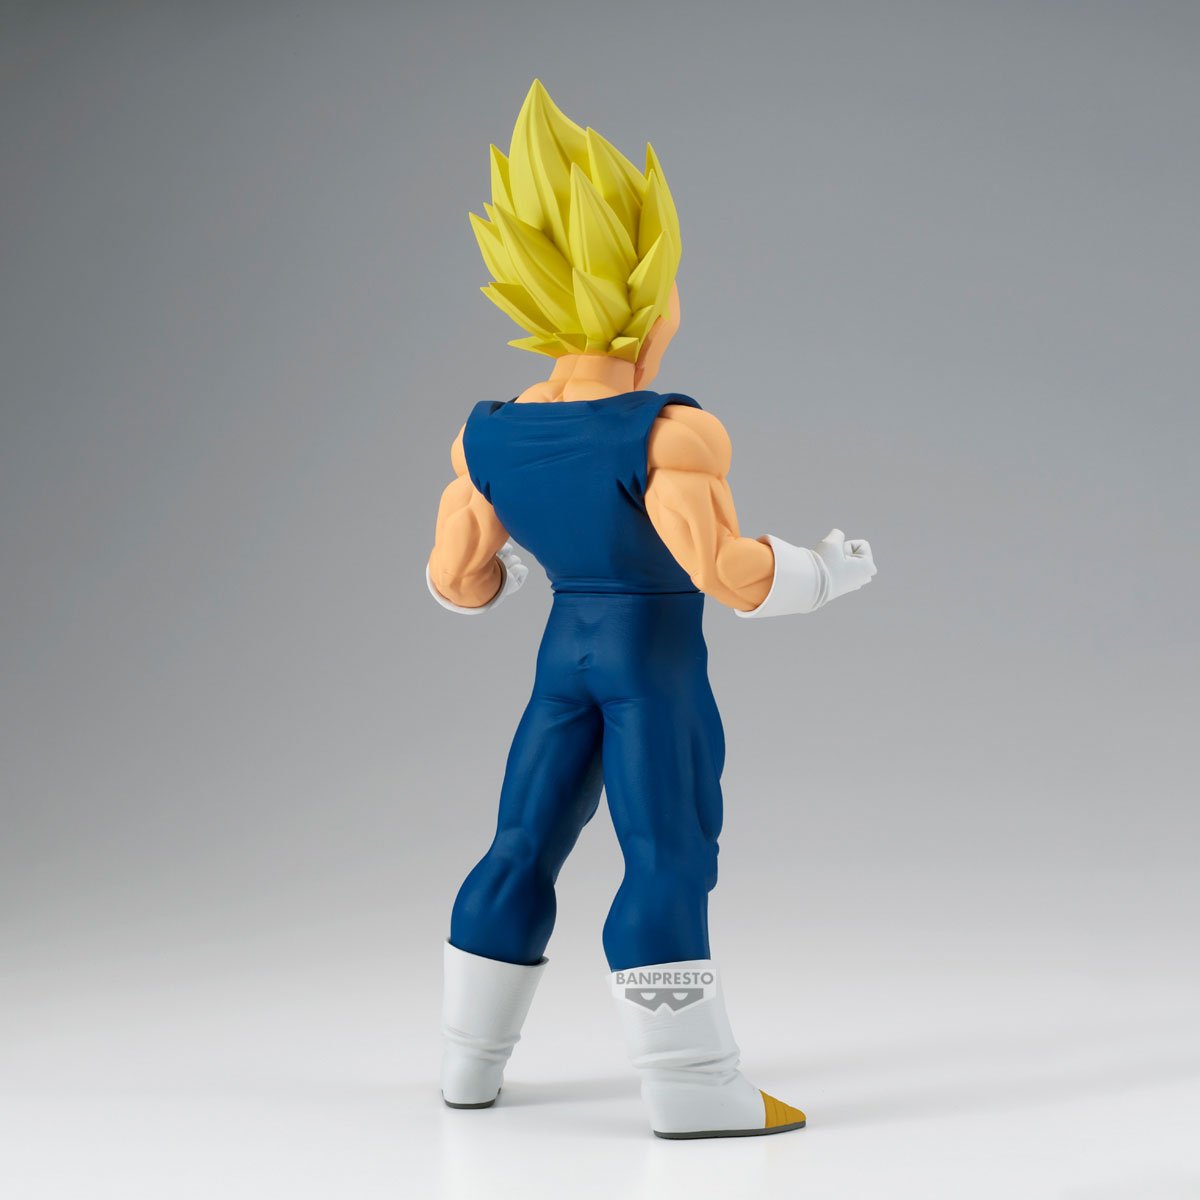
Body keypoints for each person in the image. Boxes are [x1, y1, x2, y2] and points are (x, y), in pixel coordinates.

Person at [426, 80, 877, 1139]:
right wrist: (825, 571)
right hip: (651, 666)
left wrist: (523, 565)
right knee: (670, 855)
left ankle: (467, 1070)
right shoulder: (672, 430)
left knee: (518, 844)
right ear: (645, 294)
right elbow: (727, 573)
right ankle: (692, 1083)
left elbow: (457, 582)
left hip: (562, 663)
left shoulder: (486, 434)